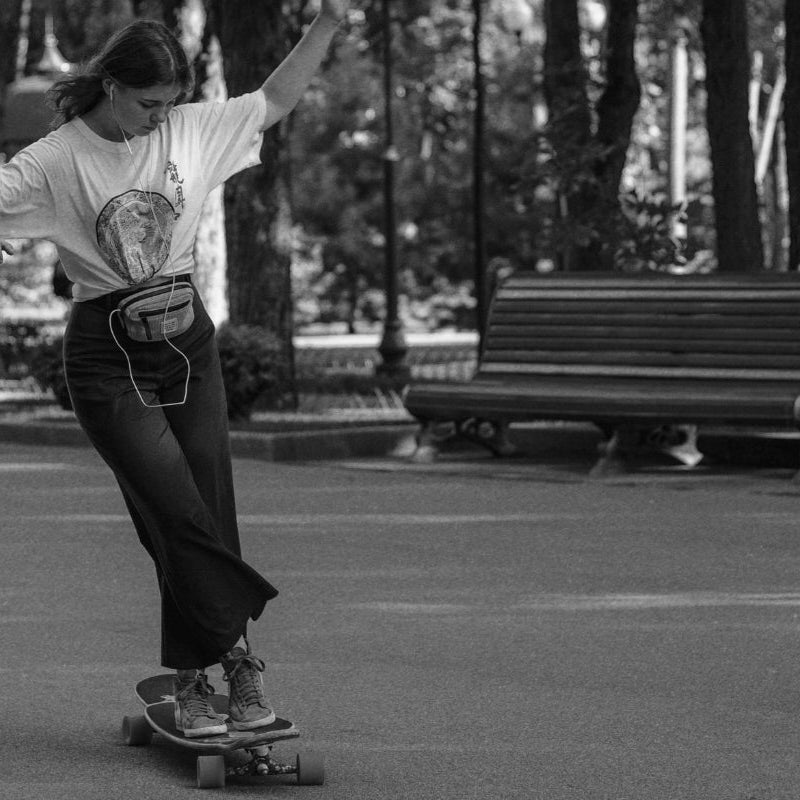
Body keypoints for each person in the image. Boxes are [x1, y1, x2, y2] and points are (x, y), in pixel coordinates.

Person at [0, 1, 348, 738]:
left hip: (187, 341)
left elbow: (274, 99)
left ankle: (196, 679)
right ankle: (237, 656)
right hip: (107, 356)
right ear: (111, 87)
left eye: (169, 102)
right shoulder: (56, 159)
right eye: (148, 103)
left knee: (205, 506)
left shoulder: (189, 128)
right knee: (174, 510)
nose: (161, 116)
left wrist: (326, 23)